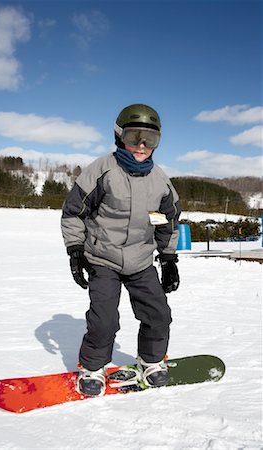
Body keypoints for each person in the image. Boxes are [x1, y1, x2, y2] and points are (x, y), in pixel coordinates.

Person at [61, 104, 180, 396]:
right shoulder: (101, 171)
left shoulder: (160, 180)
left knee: (159, 314)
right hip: (104, 259)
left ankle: (151, 361)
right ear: (119, 136)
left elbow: (166, 220)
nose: (142, 145)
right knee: (104, 320)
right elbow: (74, 212)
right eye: (134, 136)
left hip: (140, 260)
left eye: (150, 139)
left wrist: (168, 258)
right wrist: (76, 249)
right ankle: (92, 367)